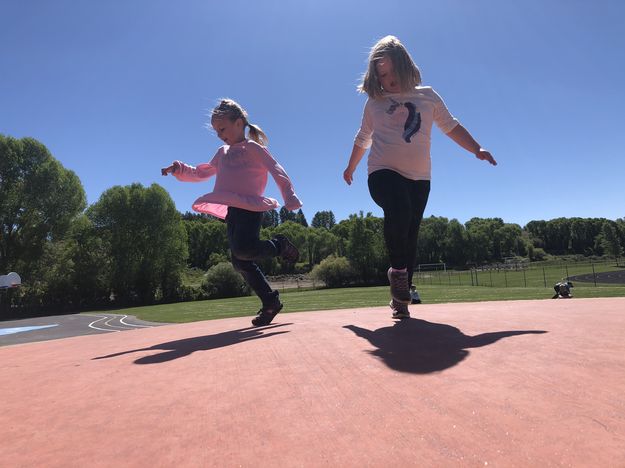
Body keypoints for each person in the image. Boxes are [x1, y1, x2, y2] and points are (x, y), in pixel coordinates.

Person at [343, 36, 497, 320]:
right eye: (381, 75)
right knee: (399, 209)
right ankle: (398, 273)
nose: (387, 80)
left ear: (406, 66)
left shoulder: (428, 96)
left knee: (410, 235)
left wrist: (477, 148)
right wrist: (351, 167)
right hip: (382, 173)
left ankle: (400, 299)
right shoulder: (374, 102)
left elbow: (450, 126)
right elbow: (363, 138)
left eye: (391, 72)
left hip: (420, 179)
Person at [162, 98, 303, 326]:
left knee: (244, 249)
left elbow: (277, 171)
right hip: (233, 210)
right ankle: (270, 303)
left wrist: (289, 197)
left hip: (250, 207)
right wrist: (179, 168)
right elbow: (202, 172)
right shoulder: (222, 152)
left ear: (239, 123)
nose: (219, 134)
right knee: (240, 262)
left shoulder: (254, 148)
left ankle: (280, 245)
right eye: (216, 131)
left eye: (222, 129)